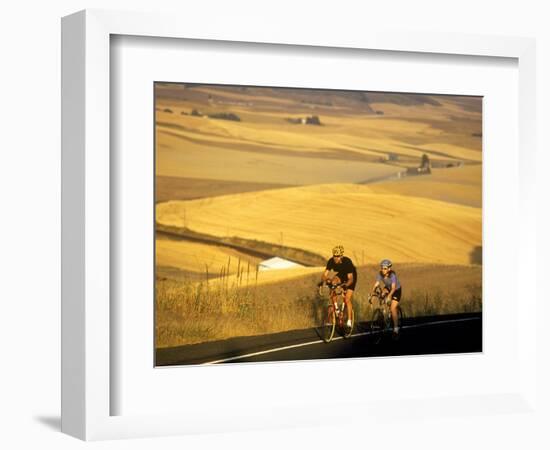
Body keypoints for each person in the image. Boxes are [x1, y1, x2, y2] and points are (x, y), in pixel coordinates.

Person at [319, 245, 357, 328]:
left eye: (338, 256)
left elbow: (350, 279)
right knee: (333, 282)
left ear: (342, 256)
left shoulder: (347, 262)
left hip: (351, 276)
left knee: (347, 299)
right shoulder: (331, 261)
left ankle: (349, 320)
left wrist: (345, 286)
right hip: (341, 275)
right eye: (334, 256)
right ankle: (335, 307)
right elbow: (324, 275)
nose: (336, 258)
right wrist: (325, 280)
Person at [371, 259, 402, 338]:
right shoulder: (380, 274)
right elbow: (376, 284)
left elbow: (393, 288)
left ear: (389, 269)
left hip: (396, 290)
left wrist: (389, 296)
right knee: (381, 295)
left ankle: (396, 329)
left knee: (392, 308)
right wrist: (372, 292)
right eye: (382, 268)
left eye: (385, 268)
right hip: (388, 288)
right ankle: (385, 314)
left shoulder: (392, 275)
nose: (383, 270)